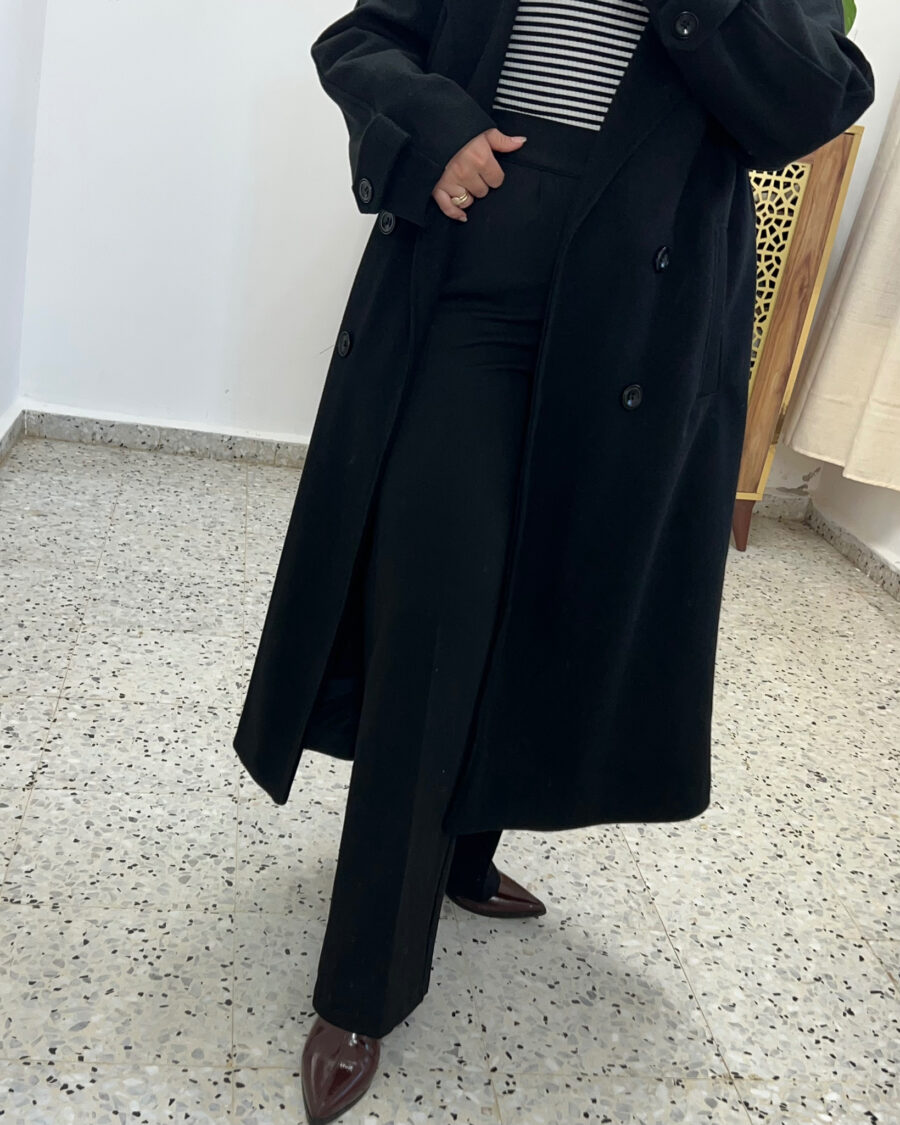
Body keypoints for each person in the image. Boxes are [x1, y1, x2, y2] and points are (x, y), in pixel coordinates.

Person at [233, 2, 875, 1122]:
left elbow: (805, 104)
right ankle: (361, 984)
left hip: (643, 321)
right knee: (431, 612)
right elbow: (362, 39)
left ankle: (462, 848)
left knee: (550, 594)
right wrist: (434, 126)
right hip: (470, 288)